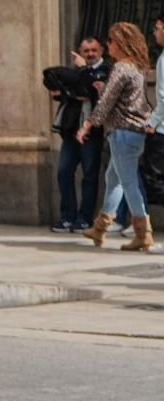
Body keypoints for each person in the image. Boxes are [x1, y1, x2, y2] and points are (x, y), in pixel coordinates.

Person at [79, 21, 153, 251]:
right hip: (133, 132)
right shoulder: (137, 68)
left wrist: (88, 124)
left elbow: (106, 101)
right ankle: (100, 229)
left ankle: (143, 232)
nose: (107, 45)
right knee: (114, 179)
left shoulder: (121, 68)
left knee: (128, 181)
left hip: (122, 132)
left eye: (110, 41)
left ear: (120, 43)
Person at [47, 37, 109, 232]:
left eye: (94, 50)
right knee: (64, 172)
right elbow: (70, 92)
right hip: (71, 130)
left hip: (93, 131)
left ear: (101, 51)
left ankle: (85, 218)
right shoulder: (76, 72)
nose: (90, 54)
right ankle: (67, 216)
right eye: (86, 51)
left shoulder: (105, 71)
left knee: (90, 175)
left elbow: (93, 93)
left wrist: (83, 73)